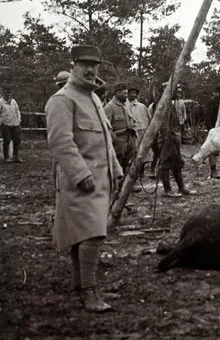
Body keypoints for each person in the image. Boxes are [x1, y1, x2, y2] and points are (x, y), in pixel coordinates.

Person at [44, 44, 122, 312]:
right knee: (92, 235)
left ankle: (81, 285)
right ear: (73, 65)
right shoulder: (62, 99)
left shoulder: (94, 98)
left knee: (85, 235)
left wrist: (117, 169)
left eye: (95, 65)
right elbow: (60, 143)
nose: (91, 70)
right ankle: (89, 291)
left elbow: (105, 140)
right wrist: (80, 174)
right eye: (85, 64)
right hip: (80, 182)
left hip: (102, 180)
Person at [156, 81, 193, 198]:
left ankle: (181, 187)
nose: (179, 92)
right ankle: (167, 190)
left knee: (177, 163)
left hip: (174, 138)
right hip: (168, 138)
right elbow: (162, 125)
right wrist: (168, 138)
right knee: (166, 164)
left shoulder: (169, 104)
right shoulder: (163, 104)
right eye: (176, 90)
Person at [103, 83, 137, 173]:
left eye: (126, 93)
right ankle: (118, 186)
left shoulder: (127, 105)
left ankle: (128, 186)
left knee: (130, 163)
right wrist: (113, 140)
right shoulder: (109, 107)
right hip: (118, 142)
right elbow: (105, 127)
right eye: (124, 93)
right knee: (118, 165)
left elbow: (133, 121)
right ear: (117, 93)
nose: (126, 95)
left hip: (130, 139)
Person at [127, 86, 153, 176]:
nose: (133, 95)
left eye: (135, 93)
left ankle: (141, 172)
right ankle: (133, 172)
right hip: (132, 133)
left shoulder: (142, 106)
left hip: (142, 131)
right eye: (131, 93)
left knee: (144, 153)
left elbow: (149, 119)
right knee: (133, 153)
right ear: (128, 94)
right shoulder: (125, 106)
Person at [0, 87, 23, 163]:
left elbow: (17, 111)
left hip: (14, 124)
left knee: (17, 140)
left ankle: (15, 156)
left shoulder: (13, 101)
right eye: (7, 93)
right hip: (5, 124)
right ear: (3, 94)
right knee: (7, 140)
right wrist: (0, 122)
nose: (8, 95)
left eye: (10, 93)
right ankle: (6, 157)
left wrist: (18, 120)